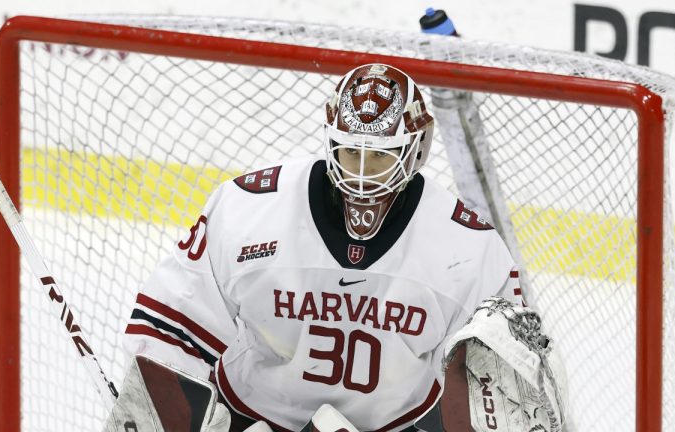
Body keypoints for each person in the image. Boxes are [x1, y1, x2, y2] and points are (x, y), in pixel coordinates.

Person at [106, 63, 565, 432]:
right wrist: (160, 413)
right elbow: (172, 324)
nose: (363, 172)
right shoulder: (250, 209)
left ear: (416, 150)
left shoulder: (468, 246)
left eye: (381, 156)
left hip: (397, 424)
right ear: (330, 142)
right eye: (351, 152)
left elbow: (507, 384)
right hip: (251, 416)